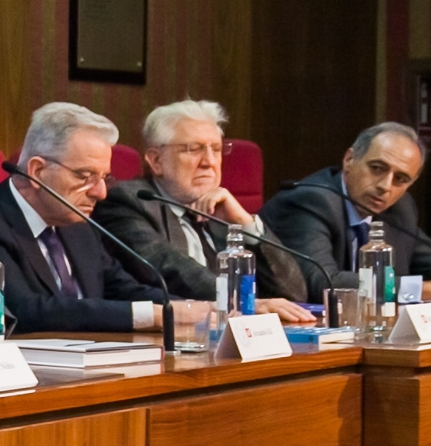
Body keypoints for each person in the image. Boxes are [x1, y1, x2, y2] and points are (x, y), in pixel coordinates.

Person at [0, 103, 212, 336]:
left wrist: (191, 309)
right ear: (38, 171)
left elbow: (122, 288)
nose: (100, 192)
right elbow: (23, 310)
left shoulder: (76, 221)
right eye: (85, 176)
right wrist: (153, 316)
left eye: (104, 178)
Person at [94, 100, 314, 321]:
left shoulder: (222, 210)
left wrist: (246, 224)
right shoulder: (128, 201)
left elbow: (294, 293)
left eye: (216, 149)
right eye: (193, 149)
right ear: (156, 160)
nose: (209, 162)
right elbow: (170, 269)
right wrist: (242, 304)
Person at [264, 123, 431, 302]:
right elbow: (322, 284)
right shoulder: (311, 201)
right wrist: (425, 290)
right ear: (349, 159)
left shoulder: (400, 209)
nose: (385, 186)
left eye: (400, 179)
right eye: (377, 168)